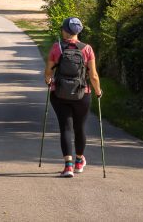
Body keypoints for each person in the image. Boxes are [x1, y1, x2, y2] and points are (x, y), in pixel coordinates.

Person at [44, 16, 102, 178]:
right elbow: (94, 75)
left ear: (64, 30)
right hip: (82, 94)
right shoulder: (87, 49)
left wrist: (48, 80)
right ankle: (79, 162)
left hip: (59, 93)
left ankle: (68, 166)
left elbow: (48, 71)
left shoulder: (57, 48)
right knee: (80, 128)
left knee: (65, 128)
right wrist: (98, 91)